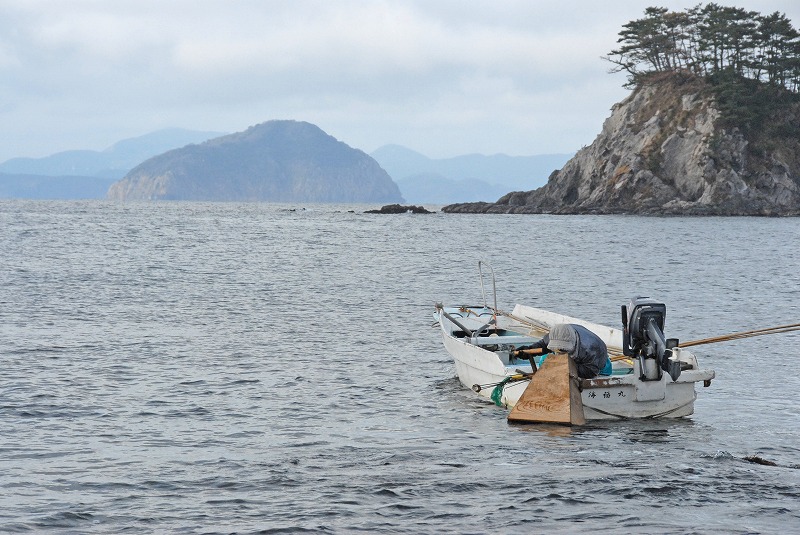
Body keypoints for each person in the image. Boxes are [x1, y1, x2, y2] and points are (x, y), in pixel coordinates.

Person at [532, 323, 612, 379]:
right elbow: (543, 344)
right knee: (544, 360)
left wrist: (564, 368)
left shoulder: (592, 348)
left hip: (594, 364)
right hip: (571, 359)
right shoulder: (558, 334)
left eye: (563, 348)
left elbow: (590, 372)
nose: (560, 350)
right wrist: (529, 349)